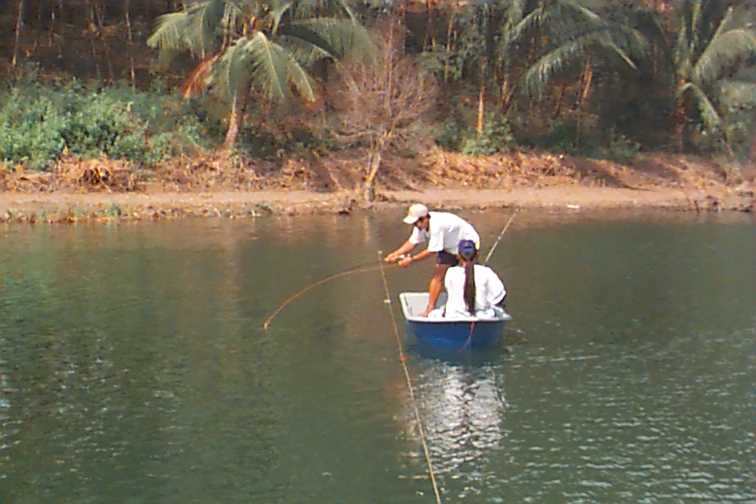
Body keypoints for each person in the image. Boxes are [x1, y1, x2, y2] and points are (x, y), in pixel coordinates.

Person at [385, 203, 481, 317]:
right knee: (438, 276)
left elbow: (432, 251)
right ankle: (430, 309)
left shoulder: (437, 226)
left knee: (464, 276)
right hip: (447, 246)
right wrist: (395, 254)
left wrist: (411, 260)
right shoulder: (420, 226)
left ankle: (469, 307)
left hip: (467, 244)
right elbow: (412, 242)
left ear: (425, 218)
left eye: (417, 222)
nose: (416, 226)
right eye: (414, 223)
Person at [442, 239, 506, 318]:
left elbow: (450, 292)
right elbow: (499, 295)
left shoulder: (451, 272)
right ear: (476, 254)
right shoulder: (486, 272)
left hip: (454, 316)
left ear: (458, 256)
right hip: (481, 317)